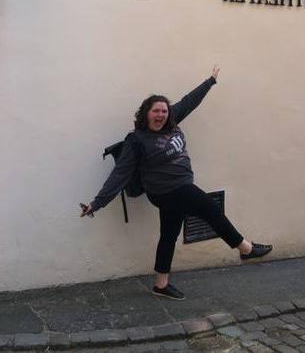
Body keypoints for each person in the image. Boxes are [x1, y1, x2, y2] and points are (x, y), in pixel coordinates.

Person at [80, 66, 272, 300]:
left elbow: (189, 101)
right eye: (155, 111)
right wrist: (96, 204)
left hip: (180, 188)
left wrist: (210, 81)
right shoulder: (137, 140)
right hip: (166, 190)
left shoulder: (172, 120)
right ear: (145, 114)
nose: (160, 115)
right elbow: (120, 174)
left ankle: (161, 284)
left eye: (163, 111)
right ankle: (246, 249)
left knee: (169, 234)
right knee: (210, 208)